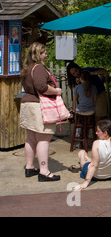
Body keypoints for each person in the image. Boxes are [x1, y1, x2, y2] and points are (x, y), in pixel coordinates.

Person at [20, 42, 62, 182]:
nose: (46, 54)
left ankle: (29, 167)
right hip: (39, 106)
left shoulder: (27, 68)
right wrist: (56, 91)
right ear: (38, 54)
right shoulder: (38, 68)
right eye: (44, 52)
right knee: (44, 139)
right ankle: (44, 172)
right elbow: (41, 86)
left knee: (31, 138)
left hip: (27, 104)